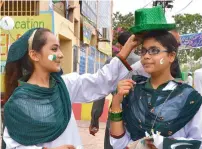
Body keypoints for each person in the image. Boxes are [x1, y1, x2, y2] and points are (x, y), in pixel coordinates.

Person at [2, 28, 140, 149]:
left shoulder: (65, 86)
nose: (61, 54)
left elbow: (100, 81)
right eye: (54, 49)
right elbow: (14, 145)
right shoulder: (19, 101)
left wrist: (127, 48)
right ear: (34, 55)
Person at [109, 6, 202, 149]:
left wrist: (159, 143)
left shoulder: (189, 98)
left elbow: (199, 142)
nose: (146, 56)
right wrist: (116, 103)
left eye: (154, 51)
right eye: (143, 51)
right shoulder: (133, 92)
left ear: (171, 56)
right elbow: (119, 144)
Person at [89, 32, 148, 149]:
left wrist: (94, 119)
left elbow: (101, 92)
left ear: (120, 46)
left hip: (117, 110)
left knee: (113, 143)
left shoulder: (112, 63)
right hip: (141, 114)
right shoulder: (145, 62)